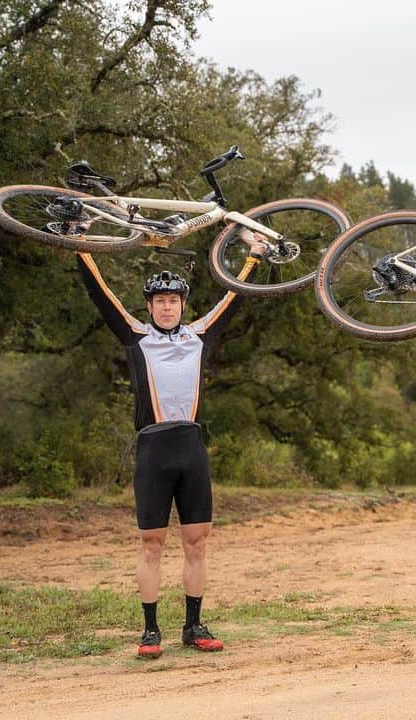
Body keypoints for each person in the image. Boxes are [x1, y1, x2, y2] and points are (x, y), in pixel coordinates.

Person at [76, 238, 265, 658]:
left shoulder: (199, 336)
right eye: (159, 301)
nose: (166, 307)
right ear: (149, 307)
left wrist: (254, 255)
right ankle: (149, 630)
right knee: (152, 544)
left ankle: (194, 625)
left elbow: (234, 298)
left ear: (183, 304)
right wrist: (78, 246)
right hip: (153, 449)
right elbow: (100, 293)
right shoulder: (135, 336)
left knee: (197, 542)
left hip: (192, 447)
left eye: (173, 300)